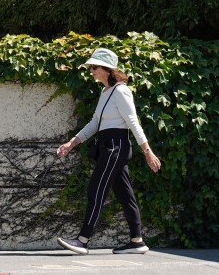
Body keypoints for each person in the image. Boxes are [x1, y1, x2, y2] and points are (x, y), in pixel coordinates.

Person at [55, 48, 161, 255]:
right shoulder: (105, 92)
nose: (91, 70)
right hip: (109, 146)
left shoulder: (121, 91)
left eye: (95, 67)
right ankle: (137, 241)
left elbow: (133, 123)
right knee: (125, 195)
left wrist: (147, 151)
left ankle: (82, 240)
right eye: (91, 67)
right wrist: (71, 143)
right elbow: (95, 123)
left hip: (116, 146)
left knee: (97, 188)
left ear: (107, 68)